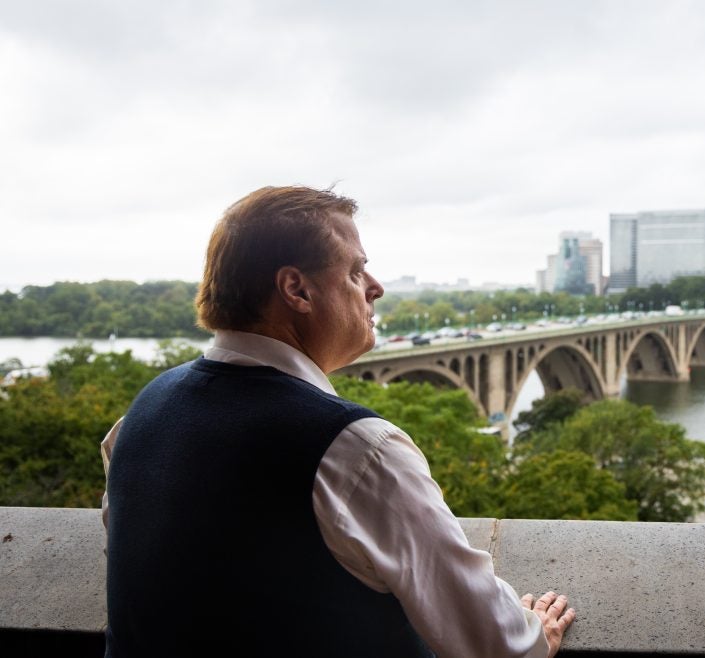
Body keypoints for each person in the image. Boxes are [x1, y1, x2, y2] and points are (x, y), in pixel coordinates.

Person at [101, 186, 575, 657]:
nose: (376, 287)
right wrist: (534, 634)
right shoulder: (356, 451)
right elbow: (498, 647)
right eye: (354, 270)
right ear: (297, 289)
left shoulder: (135, 422)